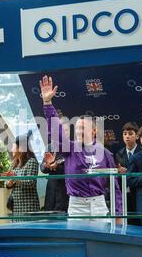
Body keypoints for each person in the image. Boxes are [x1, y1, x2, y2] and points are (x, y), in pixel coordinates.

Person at [40, 75, 122, 218]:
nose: (79, 131)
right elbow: (55, 131)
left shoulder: (105, 153)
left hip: (99, 204)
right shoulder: (70, 149)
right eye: (77, 128)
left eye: (83, 128)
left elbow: (114, 186)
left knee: (99, 240)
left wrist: (119, 213)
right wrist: (47, 103)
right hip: (77, 205)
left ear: (94, 130)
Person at [5, 132, 40, 217]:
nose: (12, 149)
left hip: (28, 208)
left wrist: (16, 178)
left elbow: (31, 183)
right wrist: (9, 183)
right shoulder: (14, 163)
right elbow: (6, 182)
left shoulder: (32, 161)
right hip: (16, 207)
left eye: (13, 146)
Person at [40, 116, 69, 212]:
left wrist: (57, 166)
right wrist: (46, 165)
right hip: (51, 190)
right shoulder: (49, 147)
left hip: (66, 190)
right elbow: (42, 167)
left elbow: (73, 168)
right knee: (50, 219)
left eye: (65, 130)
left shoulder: (71, 146)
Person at [115, 121, 142, 224]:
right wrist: (118, 171)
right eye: (125, 134)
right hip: (124, 193)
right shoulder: (119, 154)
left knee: (140, 223)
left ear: (137, 136)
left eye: (130, 134)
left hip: (139, 192)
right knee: (127, 223)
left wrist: (129, 172)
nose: (127, 136)